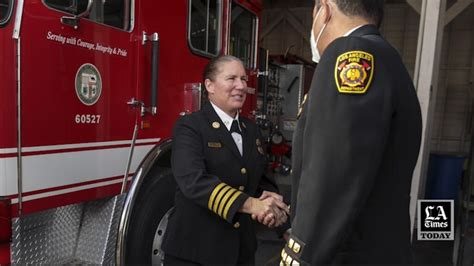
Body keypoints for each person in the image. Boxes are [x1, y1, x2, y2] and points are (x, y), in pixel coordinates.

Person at [281, 0, 422, 265]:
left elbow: (331, 172)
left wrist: (298, 256)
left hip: (344, 255)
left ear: (324, 9)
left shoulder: (351, 53)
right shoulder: (387, 58)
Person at [162, 55, 289, 265]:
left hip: (241, 252)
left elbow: (260, 183)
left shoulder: (251, 130)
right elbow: (194, 182)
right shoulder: (190, 126)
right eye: (231, 78)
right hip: (195, 253)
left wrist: (279, 217)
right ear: (209, 86)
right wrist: (251, 205)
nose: (241, 86)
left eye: (244, 79)